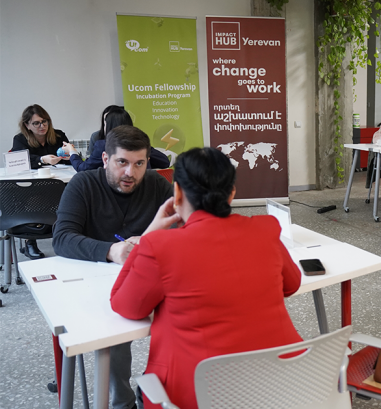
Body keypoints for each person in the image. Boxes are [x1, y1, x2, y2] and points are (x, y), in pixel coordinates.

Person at [111, 147, 303, 409]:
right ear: (232, 193)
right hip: (282, 387)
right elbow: (292, 285)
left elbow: (125, 306)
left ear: (177, 193)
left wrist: (148, 235)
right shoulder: (264, 229)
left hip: (197, 396)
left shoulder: (160, 246)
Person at [53, 125, 173, 409]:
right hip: (94, 282)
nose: (131, 172)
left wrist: (150, 240)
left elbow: (185, 227)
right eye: (122, 162)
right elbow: (62, 238)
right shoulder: (83, 184)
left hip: (145, 279)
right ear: (106, 159)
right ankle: (123, 402)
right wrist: (110, 250)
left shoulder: (156, 184)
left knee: (183, 315)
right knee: (115, 333)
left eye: (139, 163)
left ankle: (155, 386)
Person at [11, 104, 71, 259]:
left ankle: (69, 236)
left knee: (73, 194)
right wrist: (42, 160)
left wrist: (69, 155)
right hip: (32, 188)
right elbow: (20, 161)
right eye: (36, 123)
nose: (42, 126)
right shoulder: (20, 139)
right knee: (31, 198)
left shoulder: (58, 136)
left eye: (44, 121)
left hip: (58, 183)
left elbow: (70, 160)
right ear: (27, 125)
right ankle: (30, 241)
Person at [63, 106, 170, 171]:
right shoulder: (140, 143)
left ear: (109, 126)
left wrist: (72, 151)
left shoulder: (104, 145)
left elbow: (82, 168)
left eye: (105, 124)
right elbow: (165, 162)